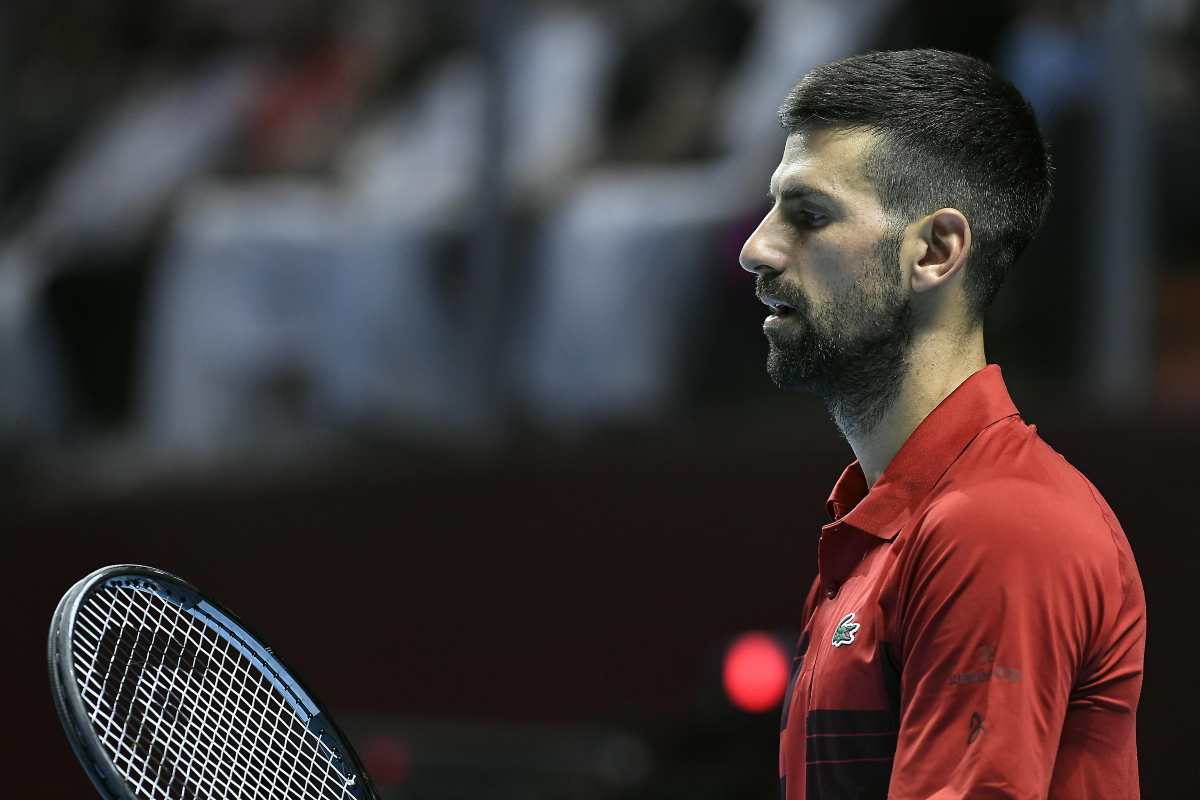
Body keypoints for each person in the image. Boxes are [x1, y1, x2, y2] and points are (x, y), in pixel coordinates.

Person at [738, 49, 1144, 799]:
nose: (755, 247)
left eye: (809, 215)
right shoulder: (877, 533)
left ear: (936, 250)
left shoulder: (998, 525)